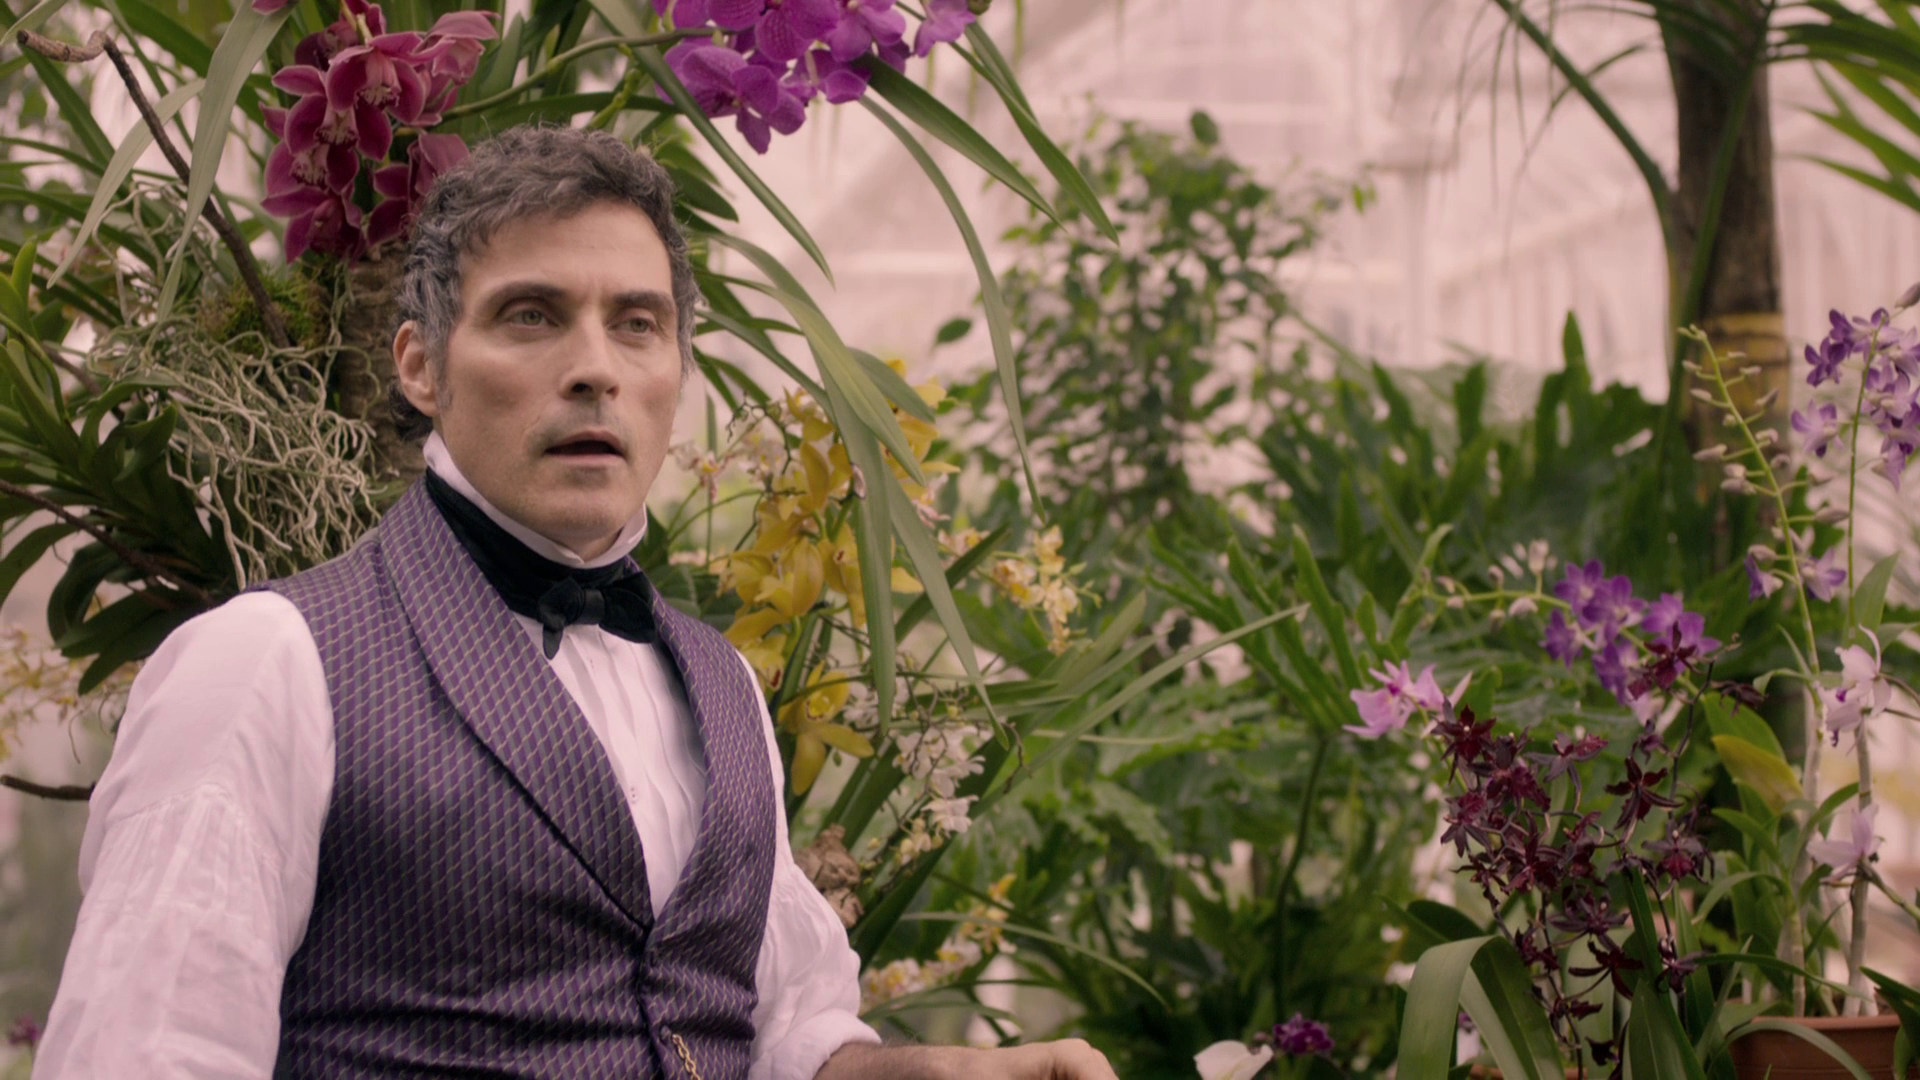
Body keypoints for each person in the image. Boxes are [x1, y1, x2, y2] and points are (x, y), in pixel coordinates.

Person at [33, 125, 1119, 1080]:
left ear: (677, 369)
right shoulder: (267, 663)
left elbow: (784, 1037)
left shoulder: (725, 685)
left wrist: (945, 1072)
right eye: (532, 316)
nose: (596, 368)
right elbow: (146, 1054)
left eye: (637, 323)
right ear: (420, 367)